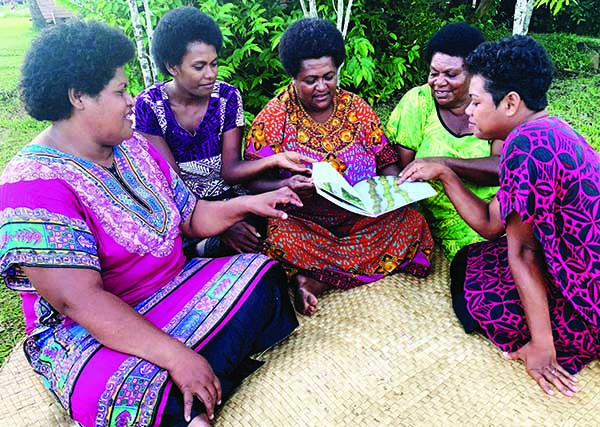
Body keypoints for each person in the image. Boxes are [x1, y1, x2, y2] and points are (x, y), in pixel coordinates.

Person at [2, 20, 302, 427]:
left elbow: (191, 216)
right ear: (78, 98)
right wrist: (175, 355)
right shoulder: (31, 183)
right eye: (120, 91)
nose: (131, 101)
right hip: (89, 330)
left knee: (264, 278)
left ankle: (195, 387)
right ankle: (191, 386)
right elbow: (80, 302)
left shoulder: (135, 147)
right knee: (122, 393)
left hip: (173, 286)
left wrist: (255, 201)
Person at [400, 35, 600, 397]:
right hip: (579, 263)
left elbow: (522, 251)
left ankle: (554, 337)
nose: (469, 111)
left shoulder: (525, 148)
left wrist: (542, 347)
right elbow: (494, 224)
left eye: (475, 102)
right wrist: (445, 173)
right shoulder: (551, 130)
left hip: (588, 294)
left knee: (480, 298)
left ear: (510, 103)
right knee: (473, 261)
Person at [243, 18, 434, 317]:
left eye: (329, 76)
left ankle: (315, 279)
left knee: (412, 224)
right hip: (307, 223)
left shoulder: (357, 108)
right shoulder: (274, 116)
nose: (322, 87)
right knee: (278, 237)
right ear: (293, 76)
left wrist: (393, 192)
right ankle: (330, 272)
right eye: (310, 80)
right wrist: (285, 187)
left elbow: (387, 161)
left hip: (363, 220)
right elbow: (252, 182)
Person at [134, 7, 311, 257]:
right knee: (170, 243)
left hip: (231, 198)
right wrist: (220, 226)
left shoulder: (227, 97)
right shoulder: (149, 106)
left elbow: (230, 171)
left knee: (273, 224)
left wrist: (276, 160)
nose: (211, 74)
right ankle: (204, 247)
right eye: (199, 66)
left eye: (214, 63)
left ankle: (208, 250)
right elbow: (173, 186)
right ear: (172, 66)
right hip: (185, 209)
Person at [386, 23, 500, 260]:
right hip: (448, 226)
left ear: (475, 74)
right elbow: (401, 170)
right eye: (433, 73)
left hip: (495, 215)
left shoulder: (493, 104)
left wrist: (443, 165)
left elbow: (501, 168)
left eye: (451, 74)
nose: (438, 82)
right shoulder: (418, 103)